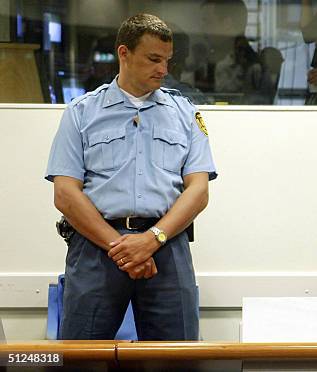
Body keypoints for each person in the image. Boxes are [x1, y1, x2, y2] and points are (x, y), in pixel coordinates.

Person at [45, 14, 217, 341]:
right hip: (97, 248)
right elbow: (65, 194)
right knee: (82, 356)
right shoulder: (82, 112)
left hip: (166, 246)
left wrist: (151, 240)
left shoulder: (187, 113)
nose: (163, 70)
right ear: (123, 53)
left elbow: (198, 190)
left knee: (177, 358)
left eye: (167, 60)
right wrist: (123, 248)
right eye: (153, 59)